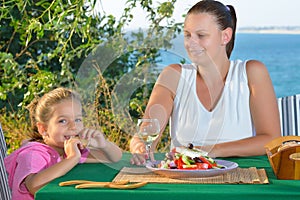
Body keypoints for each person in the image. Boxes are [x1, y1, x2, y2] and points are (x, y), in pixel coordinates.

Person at [130, 0, 281, 165]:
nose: (190, 43)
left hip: (242, 179)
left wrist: (210, 150)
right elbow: (147, 133)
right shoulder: (173, 76)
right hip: (184, 181)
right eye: (187, 35)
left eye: (201, 35)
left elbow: (271, 139)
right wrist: (140, 147)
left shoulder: (252, 72)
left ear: (225, 36)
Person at [4, 87, 122, 200]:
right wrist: (72, 158)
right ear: (43, 129)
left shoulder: (70, 149)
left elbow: (113, 158)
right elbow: (35, 187)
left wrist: (103, 145)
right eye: (63, 121)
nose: (73, 126)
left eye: (77, 120)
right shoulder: (33, 154)